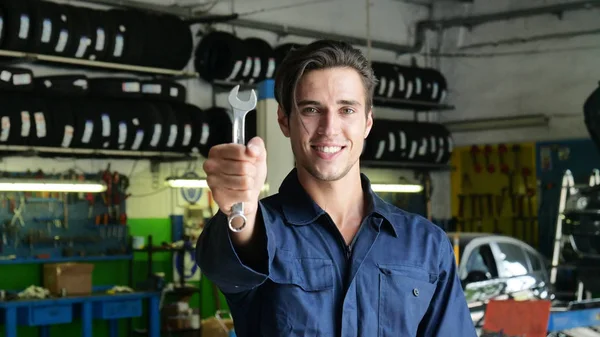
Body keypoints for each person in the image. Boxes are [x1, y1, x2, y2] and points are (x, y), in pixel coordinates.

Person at [196, 39, 477, 337]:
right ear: (284, 121)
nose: (329, 128)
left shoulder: (426, 245)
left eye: (346, 110)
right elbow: (226, 264)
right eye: (311, 110)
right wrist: (241, 213)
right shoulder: (261, 231)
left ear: (367, 123)